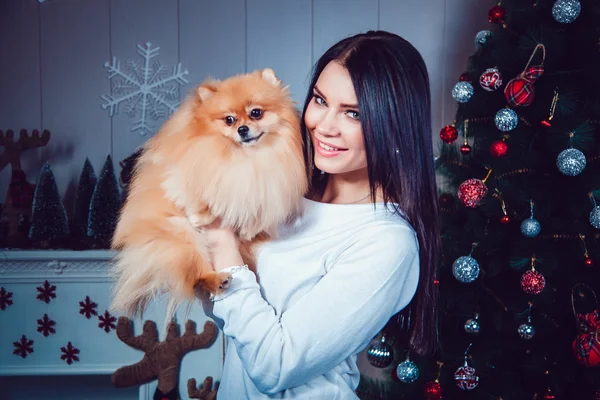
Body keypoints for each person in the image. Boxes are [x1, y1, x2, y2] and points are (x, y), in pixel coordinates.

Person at [200, 30, 441, 399]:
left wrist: (221, 240)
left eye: (354, 113)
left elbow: (274, 365)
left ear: (395, 126)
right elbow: (231, 318)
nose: (323, 126)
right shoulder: (287, 197)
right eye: (319, 100)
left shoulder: (387, 242)